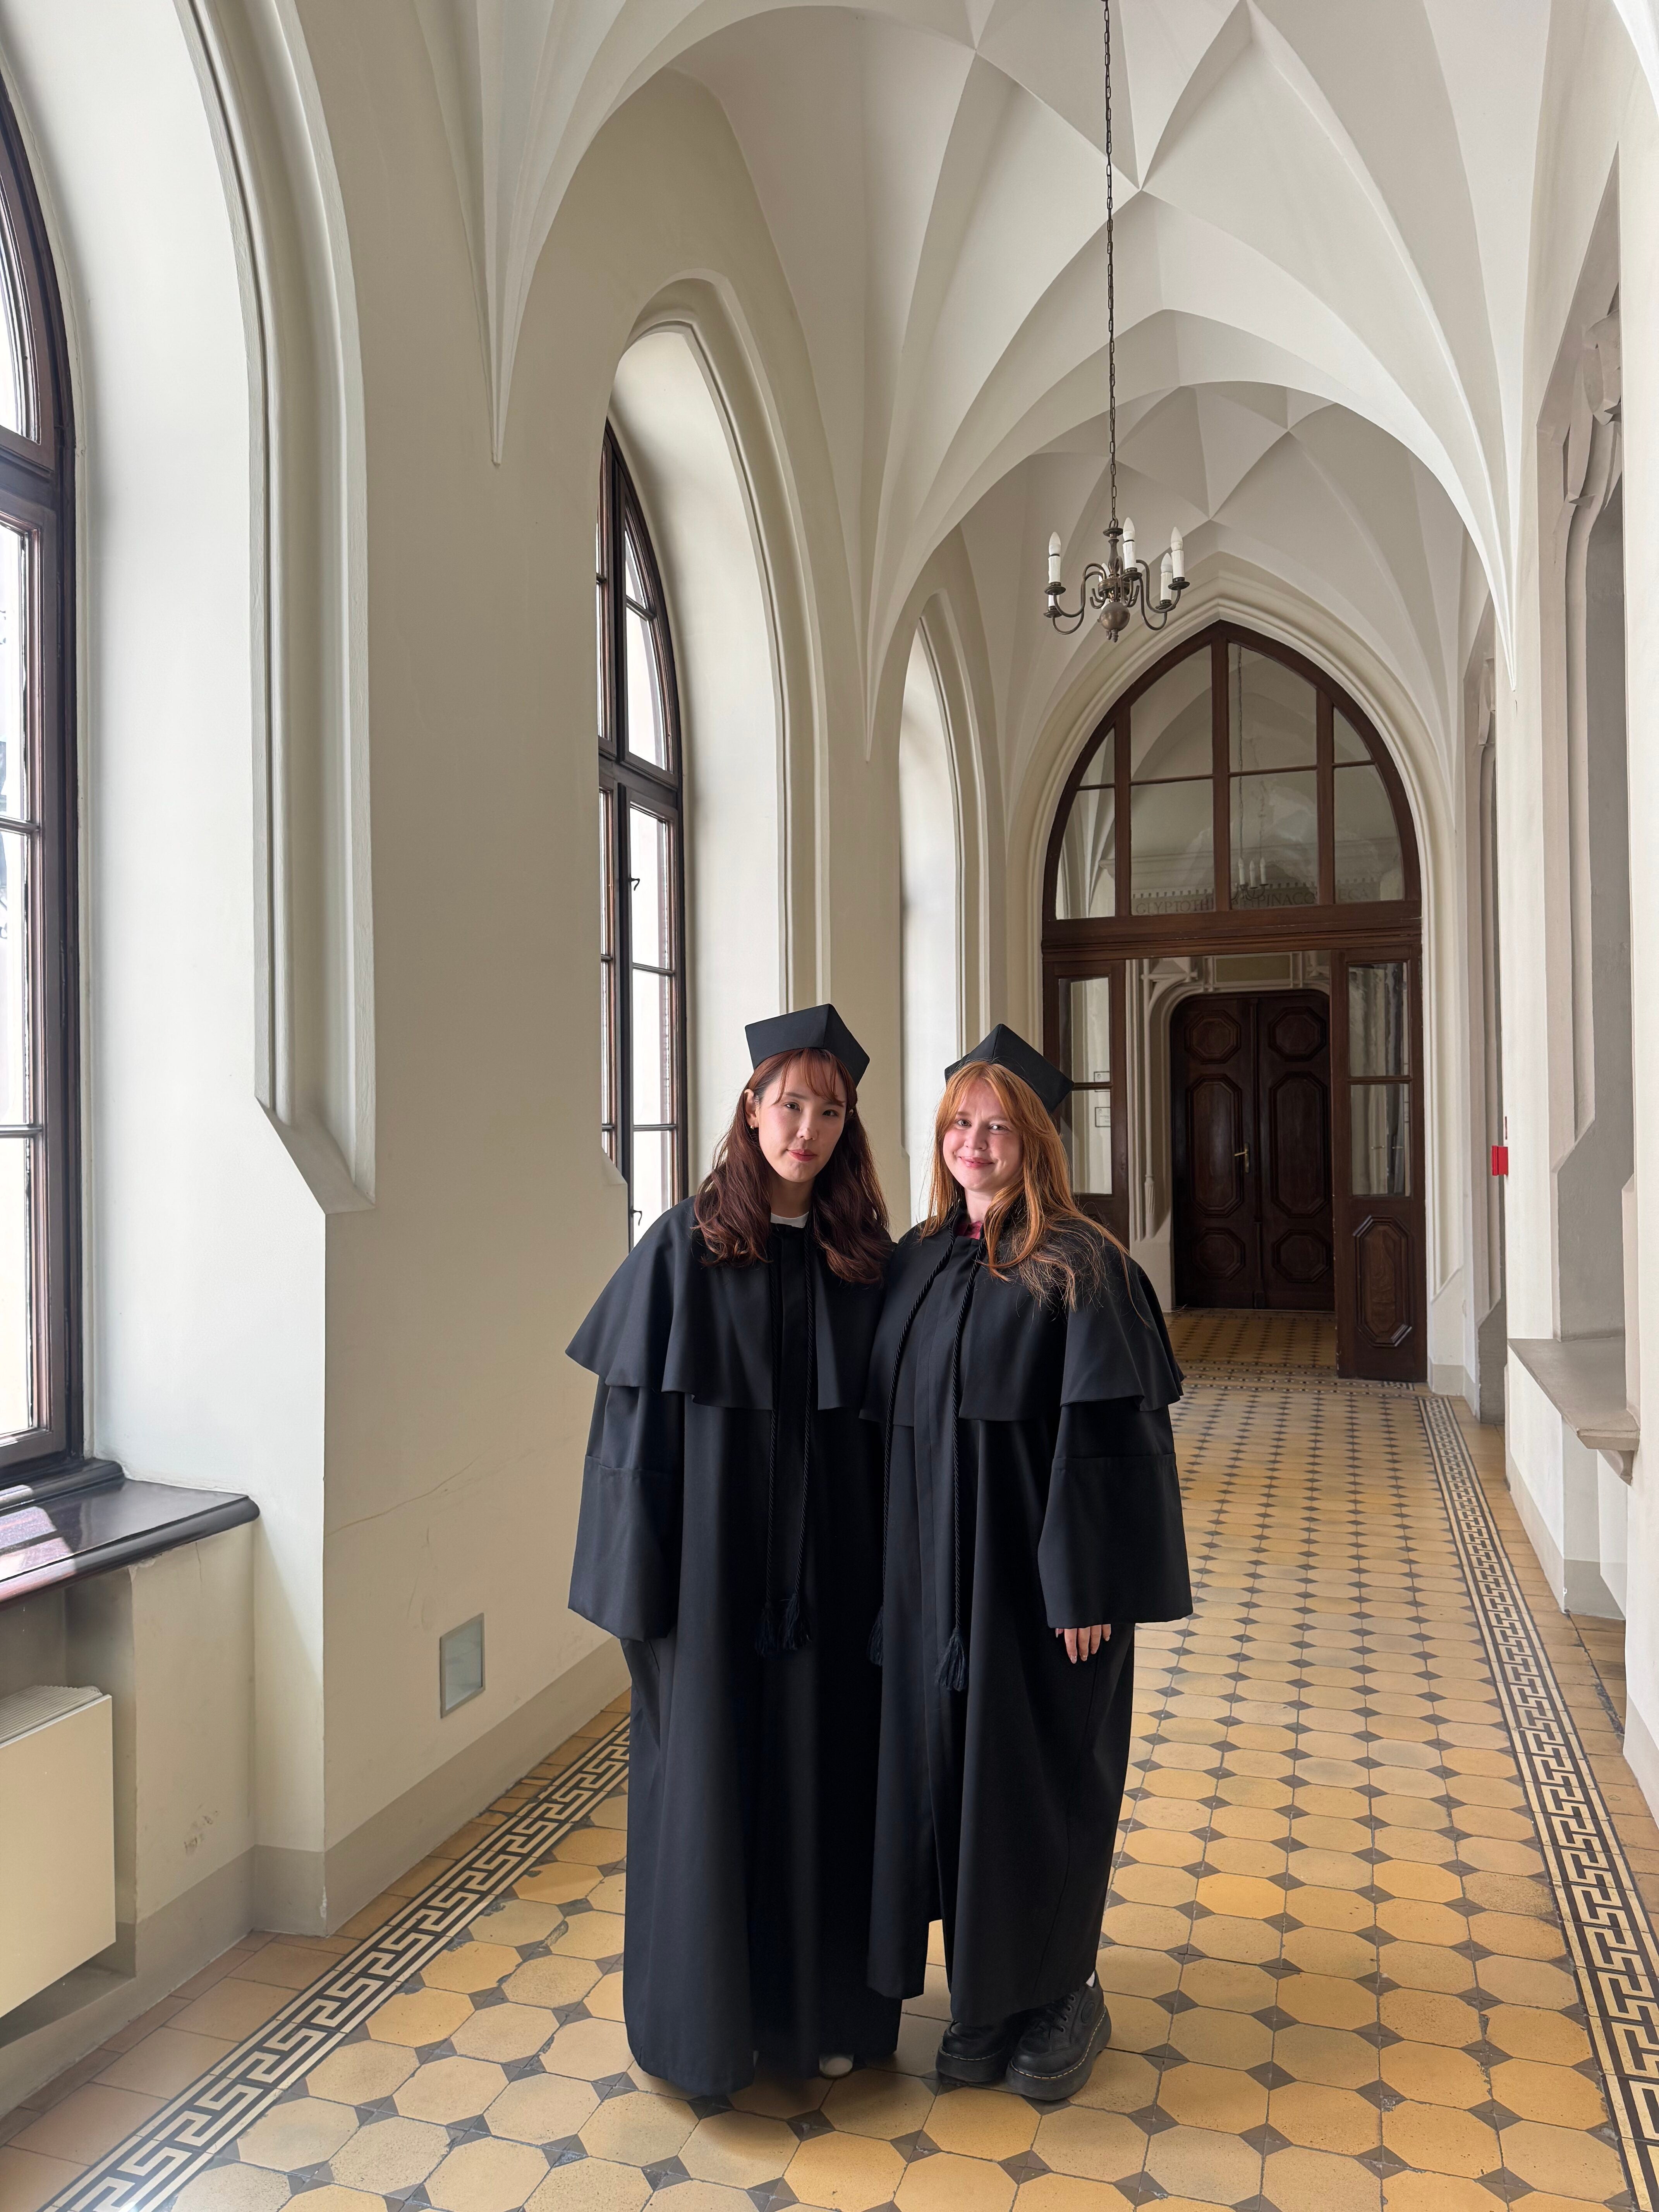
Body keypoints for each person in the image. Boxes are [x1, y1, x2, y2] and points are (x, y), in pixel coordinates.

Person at [567, 1004, 902, 2095]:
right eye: (788, 1102)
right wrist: (639, 1598)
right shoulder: (684, 1248)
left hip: (840, 1589)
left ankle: (821, 2020)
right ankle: (704, 2037)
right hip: (708, 1592)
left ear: (847, 1128)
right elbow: (625, 1439)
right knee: (711, 1791)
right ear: (752, 1109)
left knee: (829, 1784)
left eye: (829, 1109)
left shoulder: (865, 1263)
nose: (805, 1126)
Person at [866, 1024, 1191, 2100]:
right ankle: (986, 1998)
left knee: (1042, 1779)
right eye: (960, 1123)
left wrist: (1086, 1580)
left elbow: (1107, 1439)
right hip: (930, 1589)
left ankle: (1063, 1991)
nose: (975, 1141)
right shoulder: (917, 1260)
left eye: (998, 1126)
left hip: (1037, 1587)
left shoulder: (1082, 1268)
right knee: (956, 1786)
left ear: (1036, 1141)